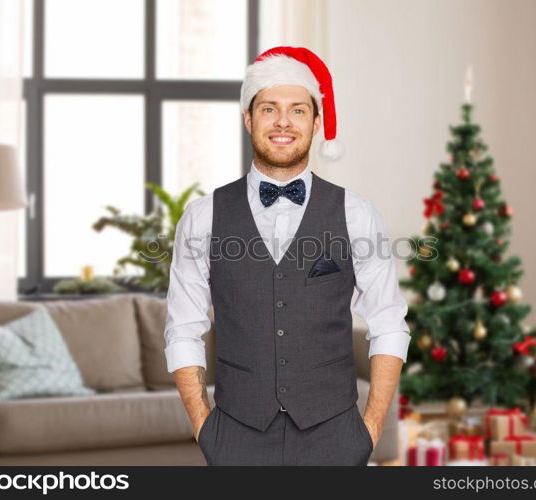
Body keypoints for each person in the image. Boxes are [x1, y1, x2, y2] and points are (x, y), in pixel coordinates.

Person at [164, 46, 410, 466]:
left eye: (297, 110)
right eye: (268, 109)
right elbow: (182, 329)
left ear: (316, 123)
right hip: (235, 438)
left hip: (334, 437)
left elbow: (388, 324)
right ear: (248, 119)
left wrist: (368, 430)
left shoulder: (357, 214)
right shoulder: (203, 216)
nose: (282, 122)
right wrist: (204, 426)